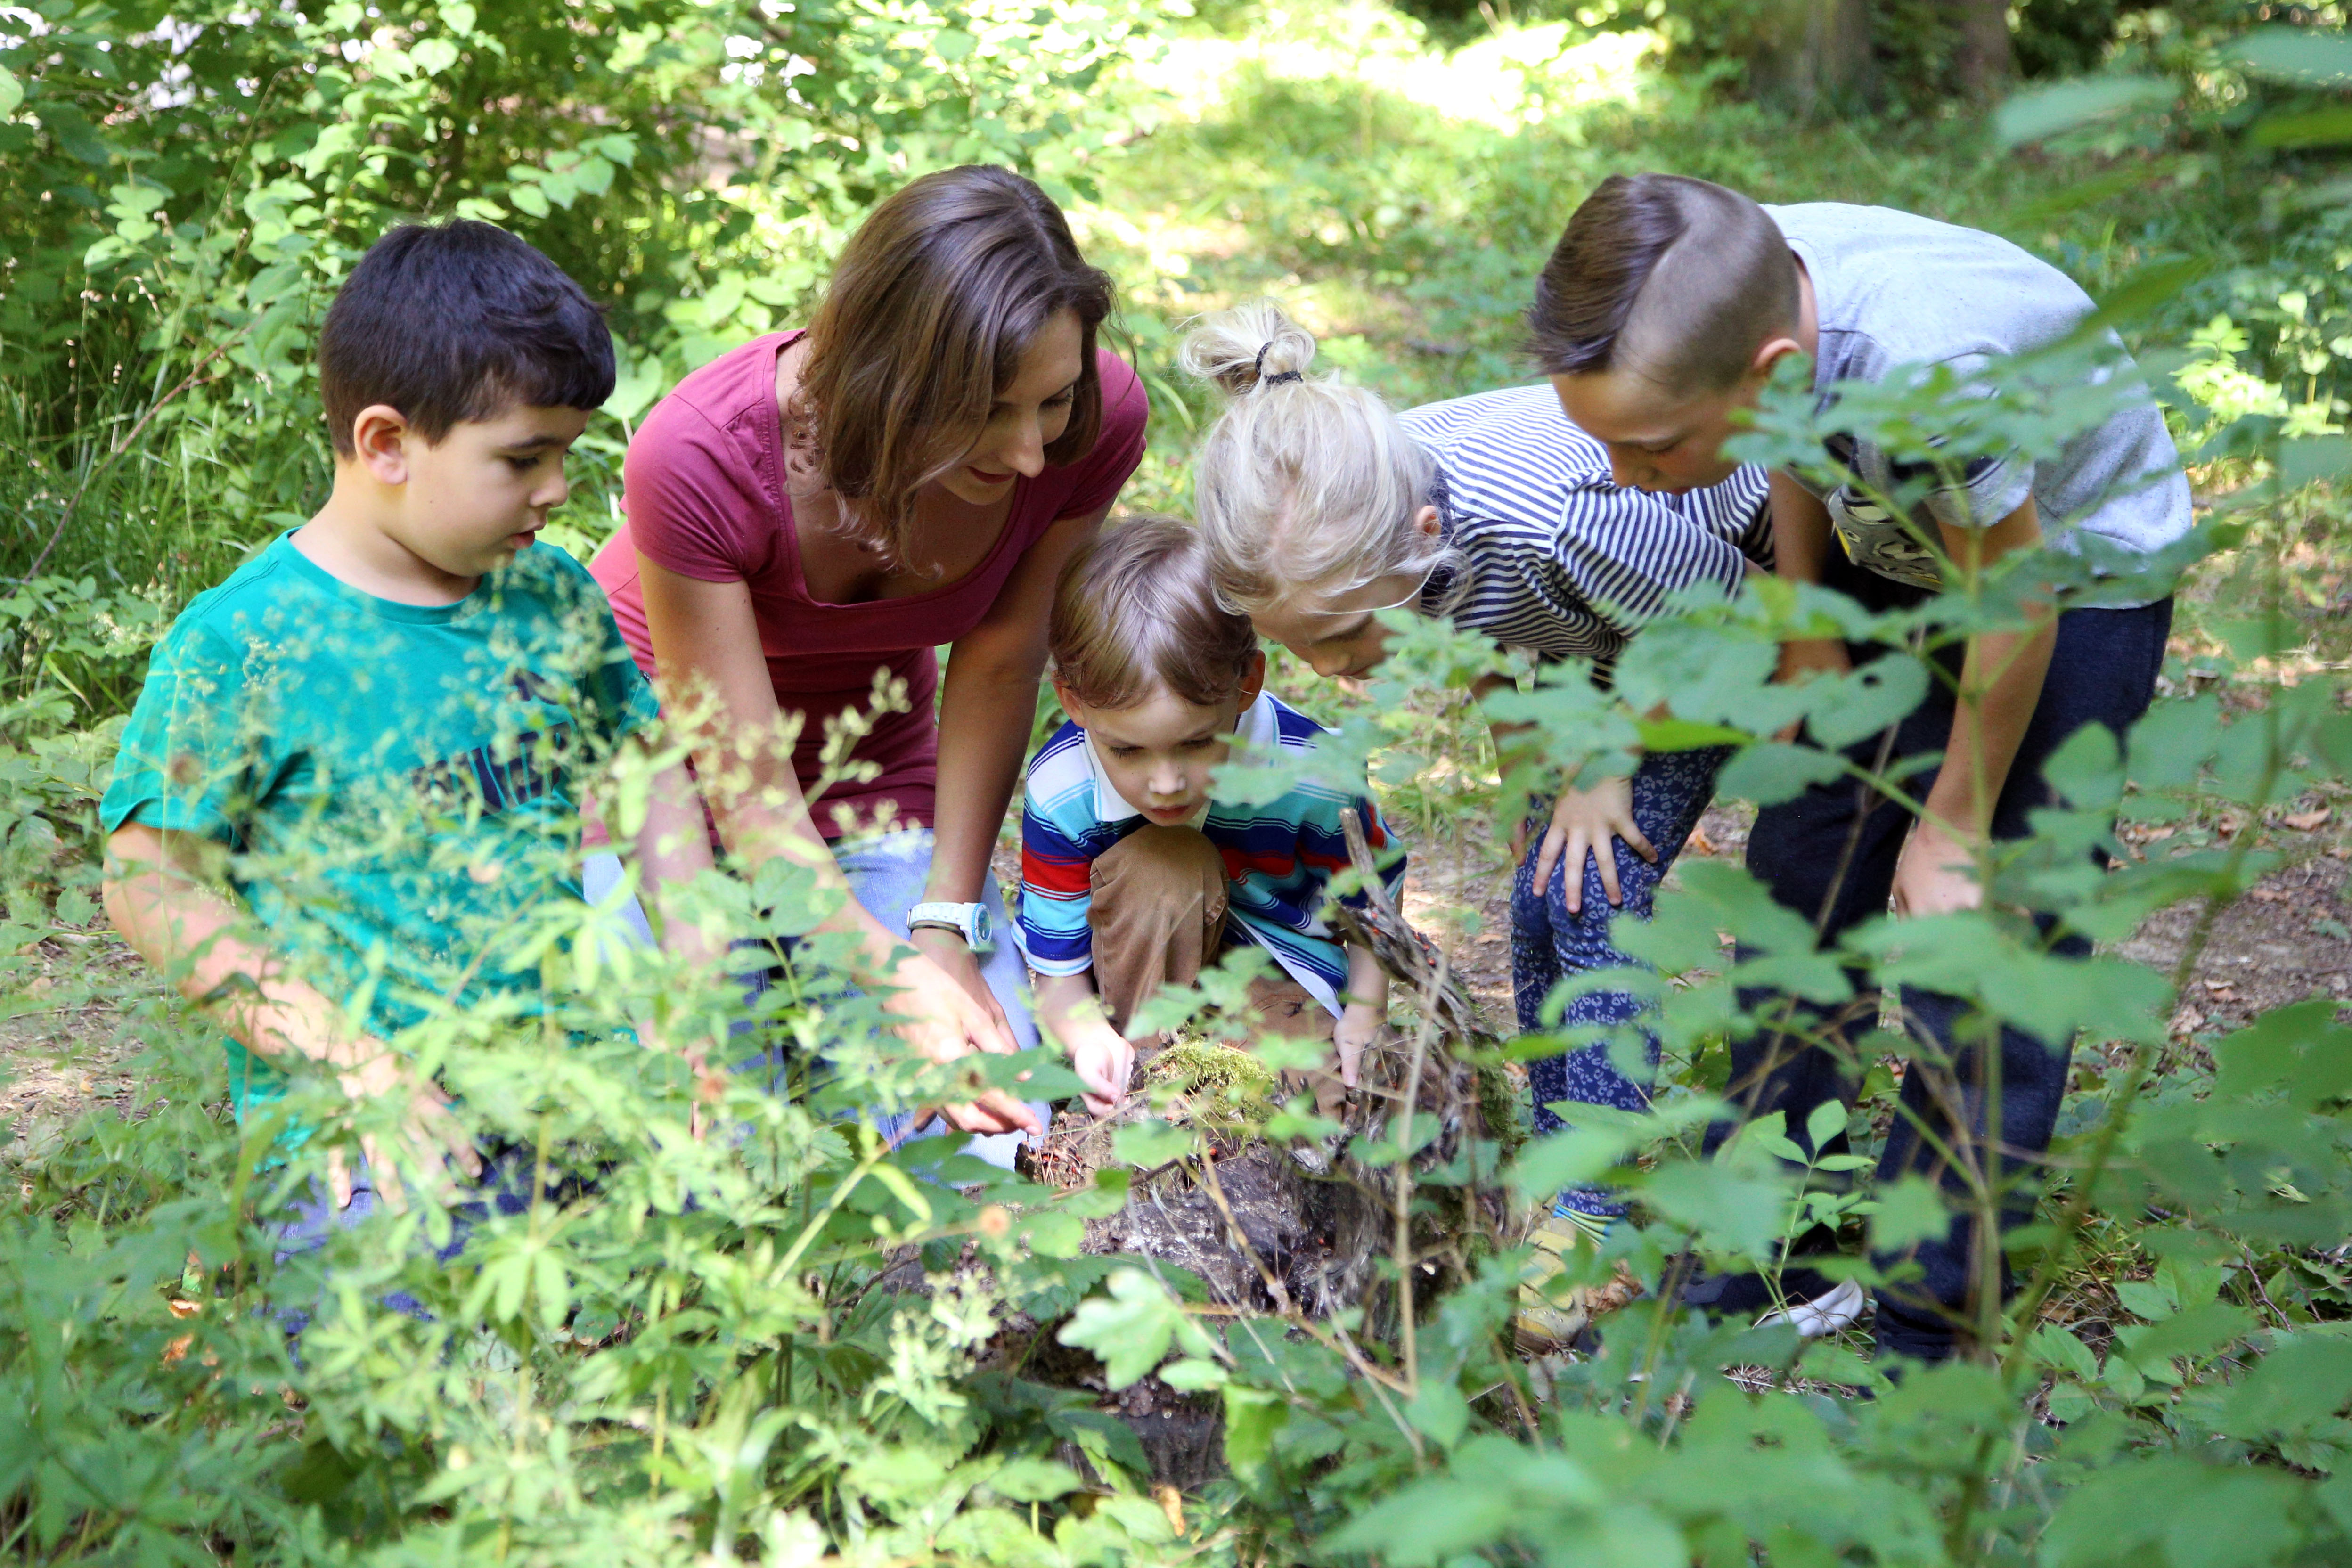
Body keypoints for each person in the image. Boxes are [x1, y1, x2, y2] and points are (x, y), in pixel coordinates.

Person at [1534, 174, 2189, 1361]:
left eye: (1650, 447)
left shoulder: (1929, 367)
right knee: (1806, 866)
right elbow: (1794, 442)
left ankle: (1927, 1314)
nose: (1626, 480)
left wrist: (1959, 821)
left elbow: (2018, 587)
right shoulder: (1743, 294)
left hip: (2070, 571)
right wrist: (1806, 621)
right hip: (1900, 537)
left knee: (1984, 936)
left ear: (1773, 365)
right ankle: (1775, 1230)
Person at [1178, 299, 1774, 1350]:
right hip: (1614, 633)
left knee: (1597, 890)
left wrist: (1601, 764)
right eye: (1300, 645)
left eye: (1345, 633)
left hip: (1725, 617)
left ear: (1420, 541)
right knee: (1542, 887)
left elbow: (1729, 613)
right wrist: (1527, 762)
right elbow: (1488, 624)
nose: (1332, 667)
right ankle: (1557, 1162)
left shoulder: (1559, 521)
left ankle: (1591, 1216)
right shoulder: (1380, 514)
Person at [100, 220, 715, 1231]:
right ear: (387, 443)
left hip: (570, 1098)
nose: (559, 489)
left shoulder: (553, 597)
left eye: (566, 452)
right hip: (359, 1129)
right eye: (523, 458)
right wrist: (349, 1057)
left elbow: (652, 776)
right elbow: (148, 878)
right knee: (412, 1350)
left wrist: (695, 990)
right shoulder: (247, 640)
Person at [588, 166, 1148, 1163]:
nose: (1028, 453)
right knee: (709, 1140)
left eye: (1052, 402)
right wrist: (885, 978)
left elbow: (1002, 656)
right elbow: (743, 789)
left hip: (869, 779)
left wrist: (940, 927)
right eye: (986, 411)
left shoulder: (1091, 425)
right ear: (888, 375)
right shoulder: (698, 455)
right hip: (653, 789)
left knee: (990, 1122)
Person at [1016, 517, 1401, 1121]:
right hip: (1135, 990)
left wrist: (1366, 1013)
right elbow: (1057, 972)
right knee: (1165, 861)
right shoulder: (1063, 791)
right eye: (1128, 750)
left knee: (1325, 1118)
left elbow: (1374, 907)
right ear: (1073, 702)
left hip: (1281, 975)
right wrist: (1087, 1037)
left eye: (1196, 743)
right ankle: (1139, 1100)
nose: (1166, 782)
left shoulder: (1316, 776)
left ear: (1246, 683)